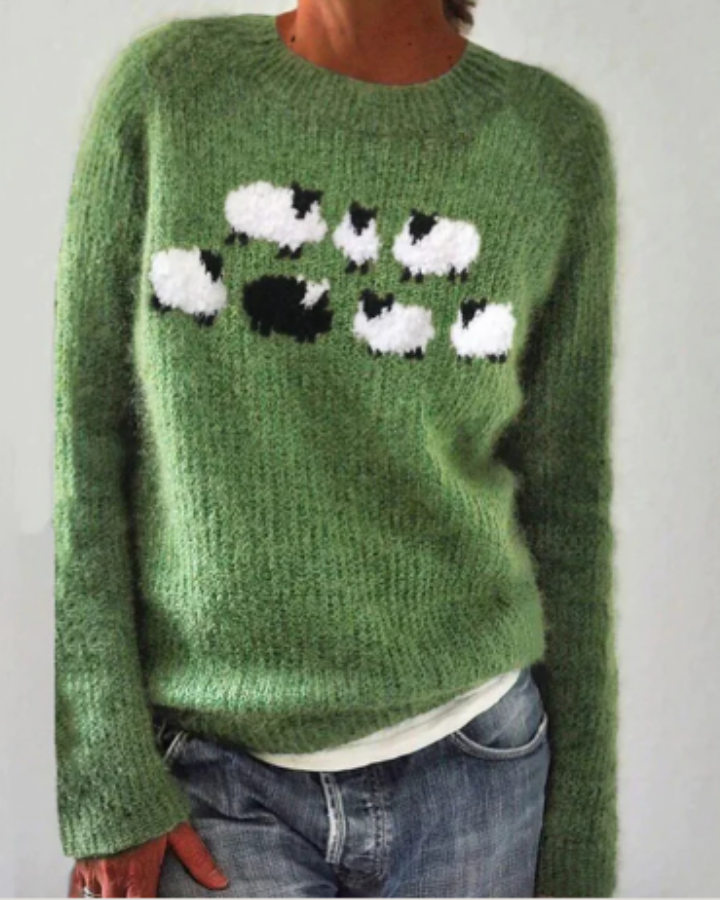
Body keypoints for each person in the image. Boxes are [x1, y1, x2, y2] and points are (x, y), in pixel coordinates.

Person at [52, 0, 620, 897]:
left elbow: (567, 497)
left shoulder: (550, 142)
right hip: (214, 782)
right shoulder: (169, 93)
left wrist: (580, 835)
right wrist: (107, 779)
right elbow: (85, 448)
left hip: (478, 770)